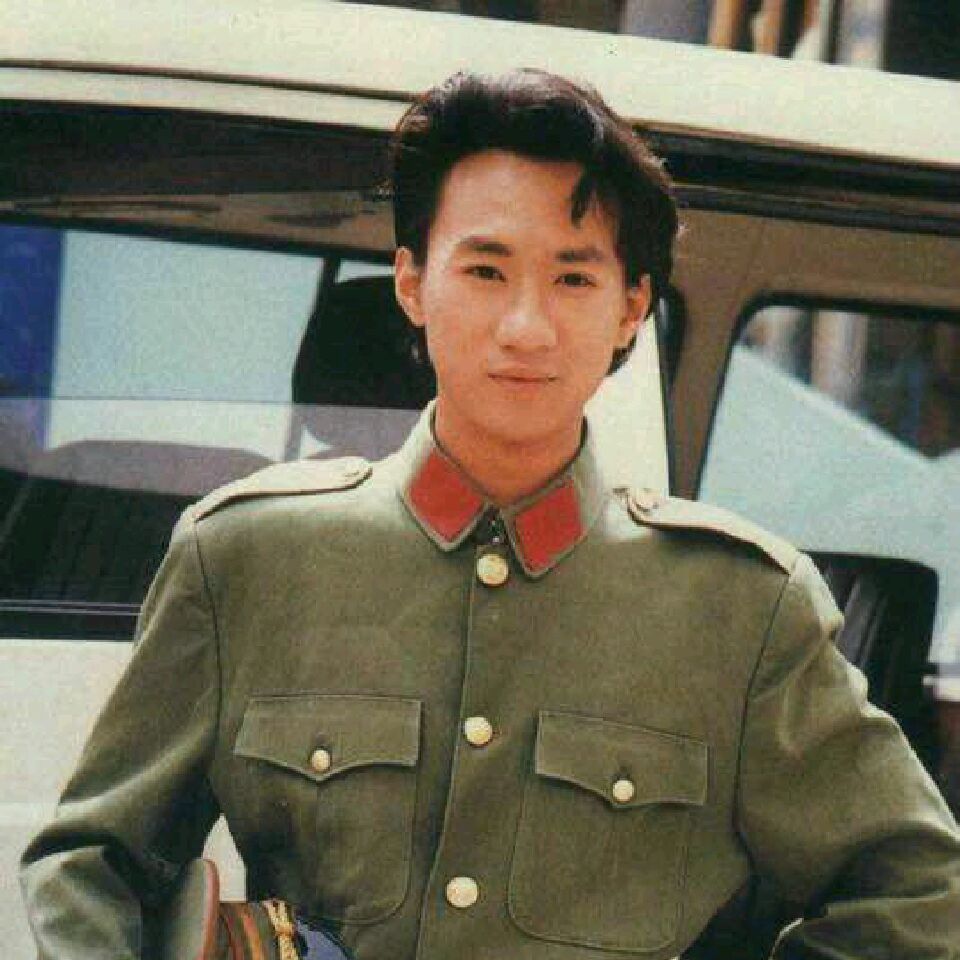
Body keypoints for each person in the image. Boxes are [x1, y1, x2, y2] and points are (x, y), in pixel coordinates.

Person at [20, 69, 960, 960]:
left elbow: (924, 892)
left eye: (573, 279)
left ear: (631, 308)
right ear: (411, 283)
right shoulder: (248, 560)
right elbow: (90, 862)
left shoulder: (741, 610)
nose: (526, 327)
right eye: (484, 271)